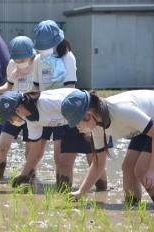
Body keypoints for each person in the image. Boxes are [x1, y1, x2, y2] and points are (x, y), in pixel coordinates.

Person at [32, 20, 104, 190]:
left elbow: (70, 87)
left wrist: (56, 104)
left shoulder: (67, 57)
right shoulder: (38, 60)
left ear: (57, 42)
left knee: (62, 155)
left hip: (64, 109)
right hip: (43, 107)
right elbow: (36, 86)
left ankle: (100, 188)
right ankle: (48, 184)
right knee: (36, 147)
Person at [61, 90, 154, 206]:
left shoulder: (122, 111)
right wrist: (80, 192)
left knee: (142, 169)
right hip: (148, 124)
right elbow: (98, 164)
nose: (77, 129)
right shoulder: (97, 125)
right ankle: (133, 208)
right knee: (128, 167)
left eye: (77, 124)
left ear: (88, 116)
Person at [0, 90, 104, 189]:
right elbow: (35, 152)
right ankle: (66, 199)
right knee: (63, 163)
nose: (10, 122)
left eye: (9, 118)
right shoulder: (31, 121)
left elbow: (83, 105)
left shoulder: (47, 102)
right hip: (68, 124)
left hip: (85, 116)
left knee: (94, 160)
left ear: (17, 110)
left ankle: (102, 194)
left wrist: (89, 129)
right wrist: (24, 175)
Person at [0, 36, 35, 178]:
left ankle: (29, 179)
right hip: (13, 109)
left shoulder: (39, 63)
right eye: (16, 60)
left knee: (30, 152)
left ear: (30, 55)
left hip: (32, 111)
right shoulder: (11, 65)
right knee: (2, 147)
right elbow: (9, 85)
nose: (18, 63)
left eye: (22, 60)